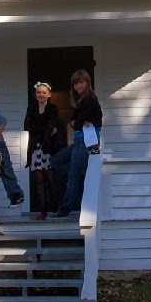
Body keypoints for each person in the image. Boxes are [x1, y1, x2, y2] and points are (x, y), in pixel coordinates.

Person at [50, 70, 103, 218]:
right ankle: (80, 172)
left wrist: (76, 122)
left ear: (87, 82)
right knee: (54, 161)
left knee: (72, 179)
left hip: (86, 142)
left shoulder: (90, 100)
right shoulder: (80, 101)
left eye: (81, 82)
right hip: (79, 141)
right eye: (76, 83)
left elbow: (79, 122)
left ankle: (64, 210)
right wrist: (76, 122)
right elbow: (74, 121)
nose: (78, 85)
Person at [23, 82, 66, 220]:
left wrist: (43, 129)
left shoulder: (53, 108)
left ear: (49, 94)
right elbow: (27, 125)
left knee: (51, 179)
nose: (41, 95)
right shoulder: (31, 108)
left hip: (48, 149)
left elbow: (51, 125)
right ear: (36, 94)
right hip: (35, 149)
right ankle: (43, 211)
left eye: (43, 92)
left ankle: (56, 208)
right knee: (39, 181)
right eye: (38, 92)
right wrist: (44, 129)